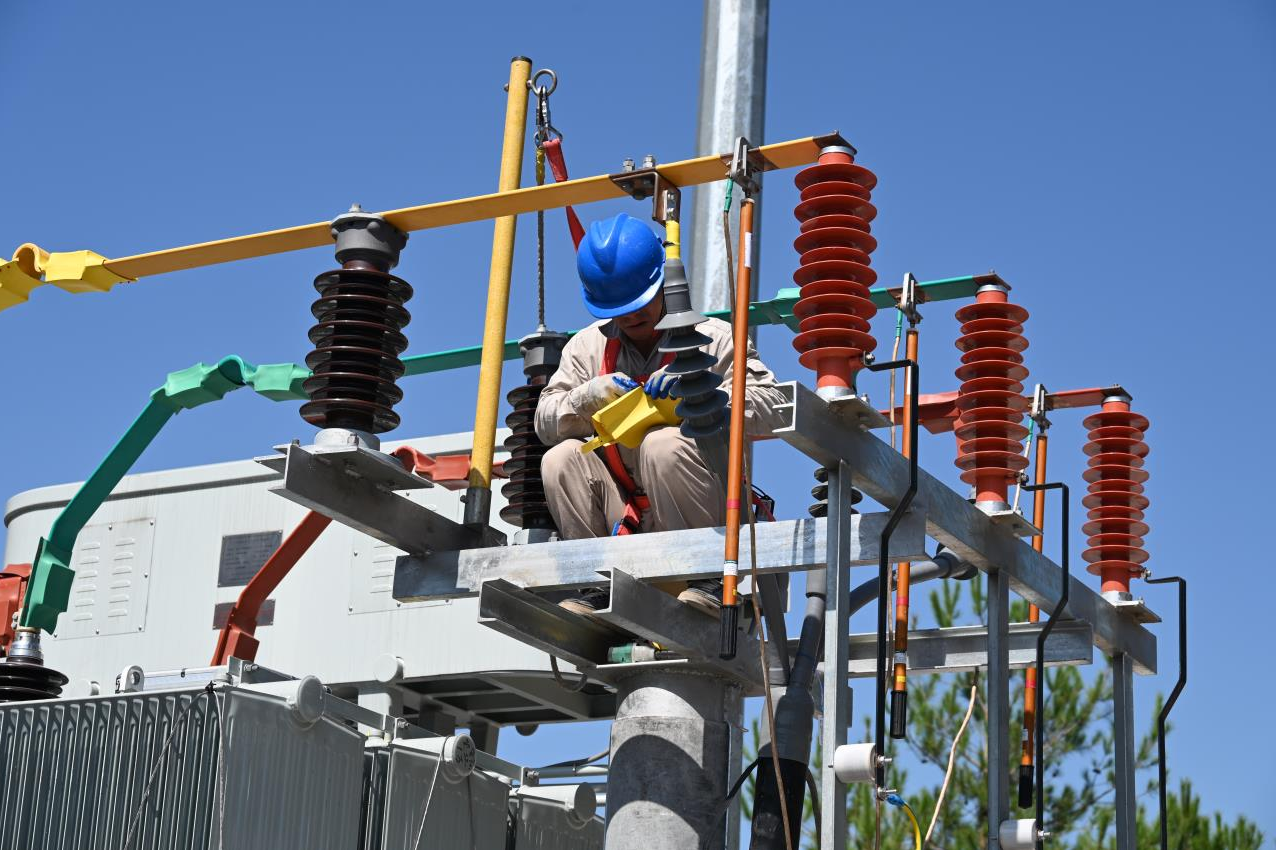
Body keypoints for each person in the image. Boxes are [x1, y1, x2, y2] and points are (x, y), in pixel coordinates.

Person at [535, 213, 788, 617]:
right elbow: (545, 423)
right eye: (620, 309)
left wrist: (706, 393)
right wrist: (586, 397)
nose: (631, 317)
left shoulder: (712, 339)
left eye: (640, 303)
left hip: (708, 516)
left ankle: (707, 578)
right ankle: (595, 582)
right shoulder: (586, 349)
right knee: (559, 459)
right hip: (626, 514)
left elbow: (773, 404)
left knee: (662, 444)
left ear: (664, 284)